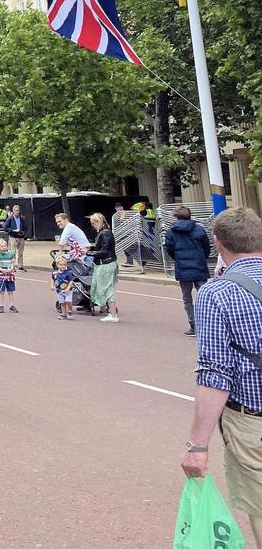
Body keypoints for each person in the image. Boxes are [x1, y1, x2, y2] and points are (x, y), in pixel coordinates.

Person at [181, 207, 262, 545]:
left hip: (253, 424)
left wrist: (197, 446)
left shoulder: (216, 294)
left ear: (217, 243)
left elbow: (215, 374)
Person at [165, 205, 213, 336]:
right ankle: (208, 323)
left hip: (183, 267)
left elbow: (169, 249)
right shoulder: (199, 230)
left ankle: (194, 324)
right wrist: (202, 258)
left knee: (187, 298)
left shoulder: (171, 232)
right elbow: (206, 248)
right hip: (199, 265)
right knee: (204, 296)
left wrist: (178, 259)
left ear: (176, 217)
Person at [89, 212, 121, 323]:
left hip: (106, 264)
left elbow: (103, 251)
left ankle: (112, 314)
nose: (92, 225)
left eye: (93, 223)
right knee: (108, 288)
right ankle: (112, 312)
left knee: (106, 289)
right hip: (110, 262)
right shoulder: (106, 232)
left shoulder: (105, 233)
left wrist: (88, 253)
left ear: (98, 222)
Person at [0, 238, 18, 313]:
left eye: (5, 246)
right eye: (1, 246)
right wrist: (2, 270)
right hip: (1, 275)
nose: (4, 248)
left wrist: (11, 268)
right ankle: (1, 305)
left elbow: (12, 263)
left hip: (9, 275)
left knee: (10, 291)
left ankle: (11, 305)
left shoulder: (10, 254)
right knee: (2, 291)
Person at [52, 252, 75, 320]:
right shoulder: (55, 273)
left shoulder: (68, 273)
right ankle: (63, 314)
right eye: (60, 265)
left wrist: (68, 288)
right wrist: (52, 286)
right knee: (62, 303)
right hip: (59, 290)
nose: (62, 266)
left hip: (68, 291)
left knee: (68, 301)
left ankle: (70, 311)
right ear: (57, 265)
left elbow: (71, 281)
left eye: (64, 265)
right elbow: (52, 279)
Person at [5, 204, 27, 272]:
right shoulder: (10, 218)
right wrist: (12, 230)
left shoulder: (22, 218)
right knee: (13, 253)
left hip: (20, 237)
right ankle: (12, 266)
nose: (17, 212)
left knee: (20, 253)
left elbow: (25, 228)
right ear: (13, 211)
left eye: (18, 210)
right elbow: (5, 227)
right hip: (13, 237)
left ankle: (20, 266)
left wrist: (23, 233)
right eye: (15, 210)